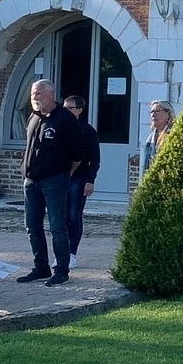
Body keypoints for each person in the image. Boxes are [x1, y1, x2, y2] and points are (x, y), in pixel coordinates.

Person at [17, 79, 80, 286]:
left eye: (39, 94)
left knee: (57, 226)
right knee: (32, 226)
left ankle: (61, 269)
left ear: (51, 95)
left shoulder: (65, 119)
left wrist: (64, 174)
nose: (35, 97)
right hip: (31, 181)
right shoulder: (33, 117)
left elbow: (79, 153)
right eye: (33, 94)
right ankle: (40, 267)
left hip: (54, 180)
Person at [62, 94, 100, 266]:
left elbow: (95, 159)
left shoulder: (87, 131)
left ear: (79, 110)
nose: (65, 112)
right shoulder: (60, 128)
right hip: (60, 179)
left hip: (79, 178)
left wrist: (90, 180)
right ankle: (61, 253)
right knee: (60, 217)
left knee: (74, 216)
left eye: (69, 108)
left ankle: (71, 254)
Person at [143, 99, 173, 178]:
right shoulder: (150, 138)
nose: (153, 115)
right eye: (152, 112)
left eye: (157, 111)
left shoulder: (172, 136)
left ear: (168, 114)